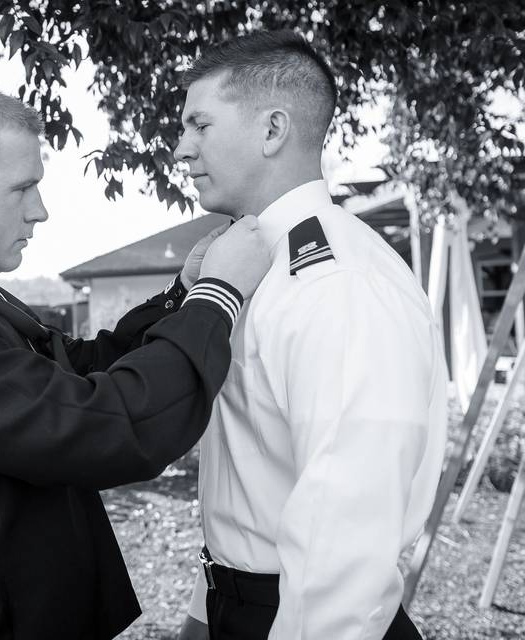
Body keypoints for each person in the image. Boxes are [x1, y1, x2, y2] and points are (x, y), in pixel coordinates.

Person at [0, 80, 272, 639]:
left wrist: (183, 292)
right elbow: (110, 426)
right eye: (23, 188)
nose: (42, 211)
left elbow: (79, 369)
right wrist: (220, 298)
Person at [173, 31, 448, 640]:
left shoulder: (339, 283)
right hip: (239, 605)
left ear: (272, 130)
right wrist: (204, 609)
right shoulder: (249, 261)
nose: (181, 148)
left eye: (199, 124)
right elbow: (255, 468)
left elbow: (345, 534)